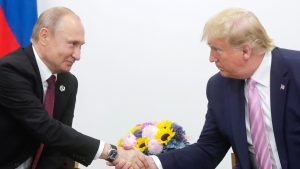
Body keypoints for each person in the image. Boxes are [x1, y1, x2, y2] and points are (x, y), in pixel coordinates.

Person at [117, 7, 300, 169]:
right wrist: (153, 163)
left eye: (216, 49)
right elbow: (208, 149)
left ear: (246, 51)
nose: (211, 58)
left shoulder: (295, 70)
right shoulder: (219, 86)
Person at [0, 7, 147, 169]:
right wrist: (112, 152)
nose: (77, 55)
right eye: (72, 44)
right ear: (44, 36)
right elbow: (46, 128)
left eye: (80, 46)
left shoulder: (68, 82)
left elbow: (58, 145)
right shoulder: (9, 70)